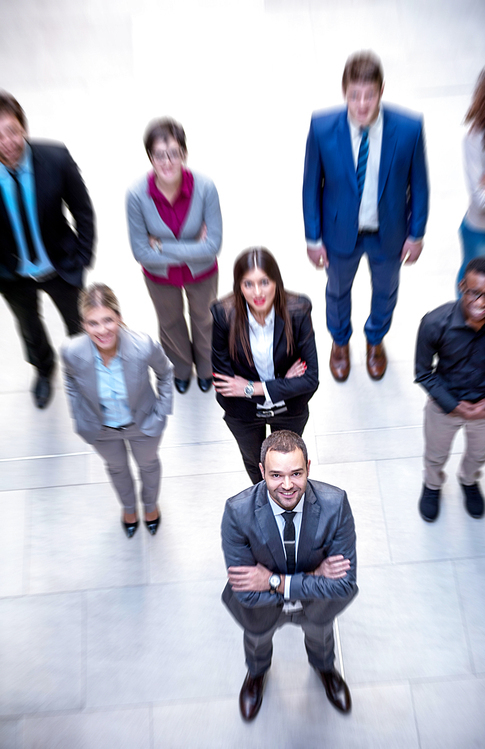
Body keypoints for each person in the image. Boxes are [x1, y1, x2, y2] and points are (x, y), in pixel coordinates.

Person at [302, 50, 429, 382]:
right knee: (338, 291)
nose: (361, 104)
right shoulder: (321, 127)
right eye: (354, 95)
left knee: (386, 291)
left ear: (381, 91)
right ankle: (340, 342)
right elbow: (310, 186)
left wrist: (416, 234)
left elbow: (420, 184)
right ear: (344, 91)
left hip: (388, 232)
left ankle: (375, 339)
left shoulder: (409, 128)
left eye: (369, 95)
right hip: (339, 233)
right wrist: (313, 238)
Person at [221, 429, 358, 721]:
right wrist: (317, 575)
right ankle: (257, 675)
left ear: (308, 467)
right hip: (261, 610)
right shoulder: (237, 512)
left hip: (315, 607)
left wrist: (273, 581)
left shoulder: (336, 505)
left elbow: (343, 585)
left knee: (321, 638)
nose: (286, 486)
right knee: (257, 641)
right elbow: (247, 591)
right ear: (262, 471)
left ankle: (324, 669)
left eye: (296, 474)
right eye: (275, 475)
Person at [0, 91, 95, 408]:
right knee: (29, 327)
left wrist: (82, 258)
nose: (7, 142)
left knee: (78, 326)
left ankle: (83, 372)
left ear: (23, 127)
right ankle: (44, 368)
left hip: (60, 264)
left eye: (12, 131)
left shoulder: (55, 158)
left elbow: (82, 210)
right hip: (12, 272)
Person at [61, 283, 173, 538]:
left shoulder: (143, 345)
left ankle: (150, 505)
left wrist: (161, 412)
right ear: (83, 324)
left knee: (148, 465)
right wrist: (78, 414)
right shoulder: (71, 351)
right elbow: (69, 381)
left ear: (119, 318)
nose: (102, 330)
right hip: (102, 430)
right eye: (93, 323)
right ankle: (129, 508)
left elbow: (165, 373)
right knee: (117, 468)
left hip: (143, 424)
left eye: (108, 320)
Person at [126, 117, 222, 395]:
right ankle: (181, 368)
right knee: (170, 322)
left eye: (174, 153)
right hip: (159, 276)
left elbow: (213, 245)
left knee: (205, 320)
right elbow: (139, 252)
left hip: (202, 272)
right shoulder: (136, 195)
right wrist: (192, 245)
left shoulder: (205, 187)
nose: (167, 162)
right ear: (150, 157)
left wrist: (160, 246)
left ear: (184, 153)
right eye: (159, 155)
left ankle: (207, 368)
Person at [211, 247, 319, 484]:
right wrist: (285, 383)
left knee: (287, 463)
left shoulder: (299, 311)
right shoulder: (223, 315)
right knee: (255, 463)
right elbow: (225, 383)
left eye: (264, 282)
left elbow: (310, 379)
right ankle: (263, 499)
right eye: (248, 284)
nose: (257, 292)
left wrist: (252, 388)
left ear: (276, 282)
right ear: (239, 286)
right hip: (244, 413)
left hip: (288, 410)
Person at [415, 257, 485, 522]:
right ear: (462, 286)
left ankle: (469, 481)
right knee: (435, 453)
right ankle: (432, 485)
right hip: (445, 405)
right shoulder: (434, 323)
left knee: (479, 453)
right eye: (475, 292)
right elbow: (423, 373)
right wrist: (453, 405)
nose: (482, 302)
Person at [456, 62, 485, 289]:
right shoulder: (476, 138)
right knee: (472, 285)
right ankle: (460, 325)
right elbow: (481, 200)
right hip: (482, 228)